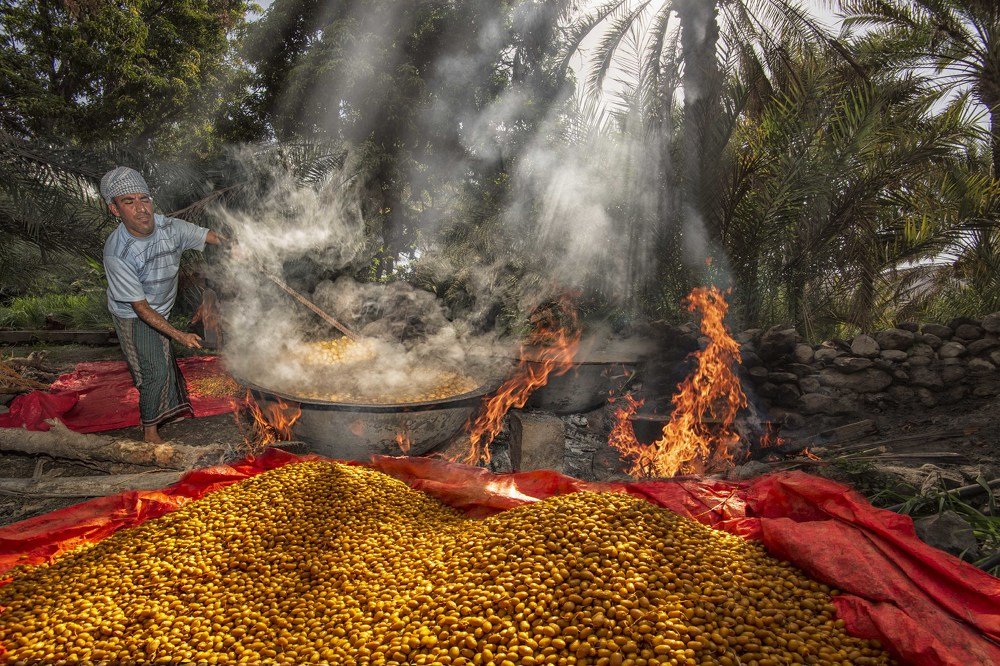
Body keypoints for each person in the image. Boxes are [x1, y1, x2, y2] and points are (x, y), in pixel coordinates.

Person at [100, 166, 229, 444]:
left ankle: (168, 411)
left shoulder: (170, 228)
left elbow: (208, 236)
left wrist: (234, 246)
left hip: (160, 308)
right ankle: (150, 433)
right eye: (129, 202)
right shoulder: (118, 252)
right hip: (133, 315)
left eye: (144, 199)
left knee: (163, 357)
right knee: (153, 369)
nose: (141, 209)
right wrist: (180, 335)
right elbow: (141, 308)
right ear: (115, 209)